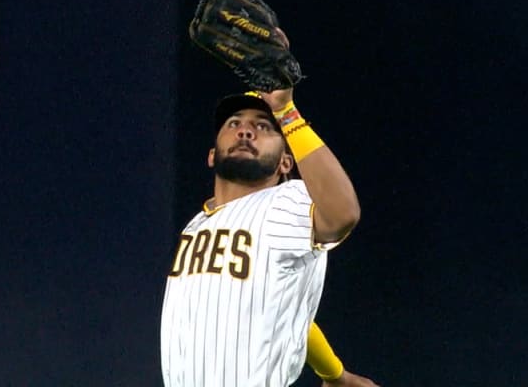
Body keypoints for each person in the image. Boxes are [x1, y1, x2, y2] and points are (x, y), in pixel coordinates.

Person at [160, 79, 379, 386]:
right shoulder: (196, 225)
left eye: (263, 126)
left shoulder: (286, 201)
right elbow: (282, 311)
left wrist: (286, 113)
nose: (246, 131)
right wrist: (334, 372)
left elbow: (343, 214)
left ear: (284, 162)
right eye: (234, 123)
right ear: (211, 155)